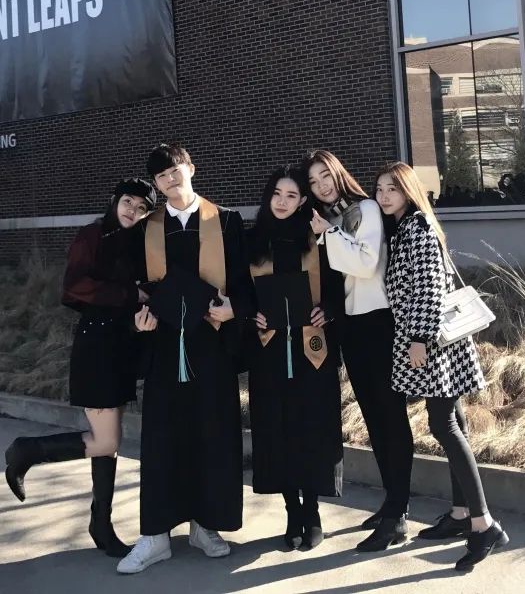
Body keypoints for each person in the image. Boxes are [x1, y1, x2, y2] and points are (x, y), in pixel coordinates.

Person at [117, 144, 253, 575]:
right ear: (156, 185)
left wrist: (234, 309)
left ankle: (205, 525)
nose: (170, 180)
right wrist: (137, 319)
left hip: (211, 346)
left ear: (190, 168)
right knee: (162, 438)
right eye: (161, 177)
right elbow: (134, 286)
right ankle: (155, 535)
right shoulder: (147, 228)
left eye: (175, 170)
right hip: (164, 347)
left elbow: (246, 281)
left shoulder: (226, 221)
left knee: (212, 434)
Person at [2, 178, 156, 557]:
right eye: (127, 202)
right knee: (107, 441)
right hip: (97, 347)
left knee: (108, 442)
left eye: (141, 208)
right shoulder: (93, 235)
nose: (132, 211)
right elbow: (74, 287)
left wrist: (140, 311)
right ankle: (27, 451)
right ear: (114, 201)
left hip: (123, 347)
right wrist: (130, 294)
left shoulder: (138, 244)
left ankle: (101, 525)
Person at [374, 161, 509, 572]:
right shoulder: (407, 227)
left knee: (443, 425)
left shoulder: (417, 229)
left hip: (432, 341)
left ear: (408, 191)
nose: (384, 196)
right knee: (455, 422)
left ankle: (483, 524)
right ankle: (461, 513)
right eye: (379, 189)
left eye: (392, 189)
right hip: (436, 339)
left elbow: (429, 288)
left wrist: (418, 338)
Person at [303, 149, 414, 552]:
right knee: (374, 418)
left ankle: (398, 514)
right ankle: (392, 503)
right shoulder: (328, 220)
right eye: (313, 182)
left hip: (378, 323)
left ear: (337, 173)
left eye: (325, 176)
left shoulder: (364, 209)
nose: (321, 186)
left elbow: (366, 266)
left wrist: (328, 235)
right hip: (350, 327)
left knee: (390, 417)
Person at [247, 165, 345, 551]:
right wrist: (250, 314)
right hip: (270, 350)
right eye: (277, 194)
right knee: (278, 428)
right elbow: (240, 290)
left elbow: (339, 282)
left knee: (312, 427)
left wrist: (329, 310)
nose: (283, 202)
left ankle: (313, 511)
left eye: (291, 195)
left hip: (313, 350)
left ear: (303, 199)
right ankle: (292, 511)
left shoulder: (316, 237)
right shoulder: (253, 240)